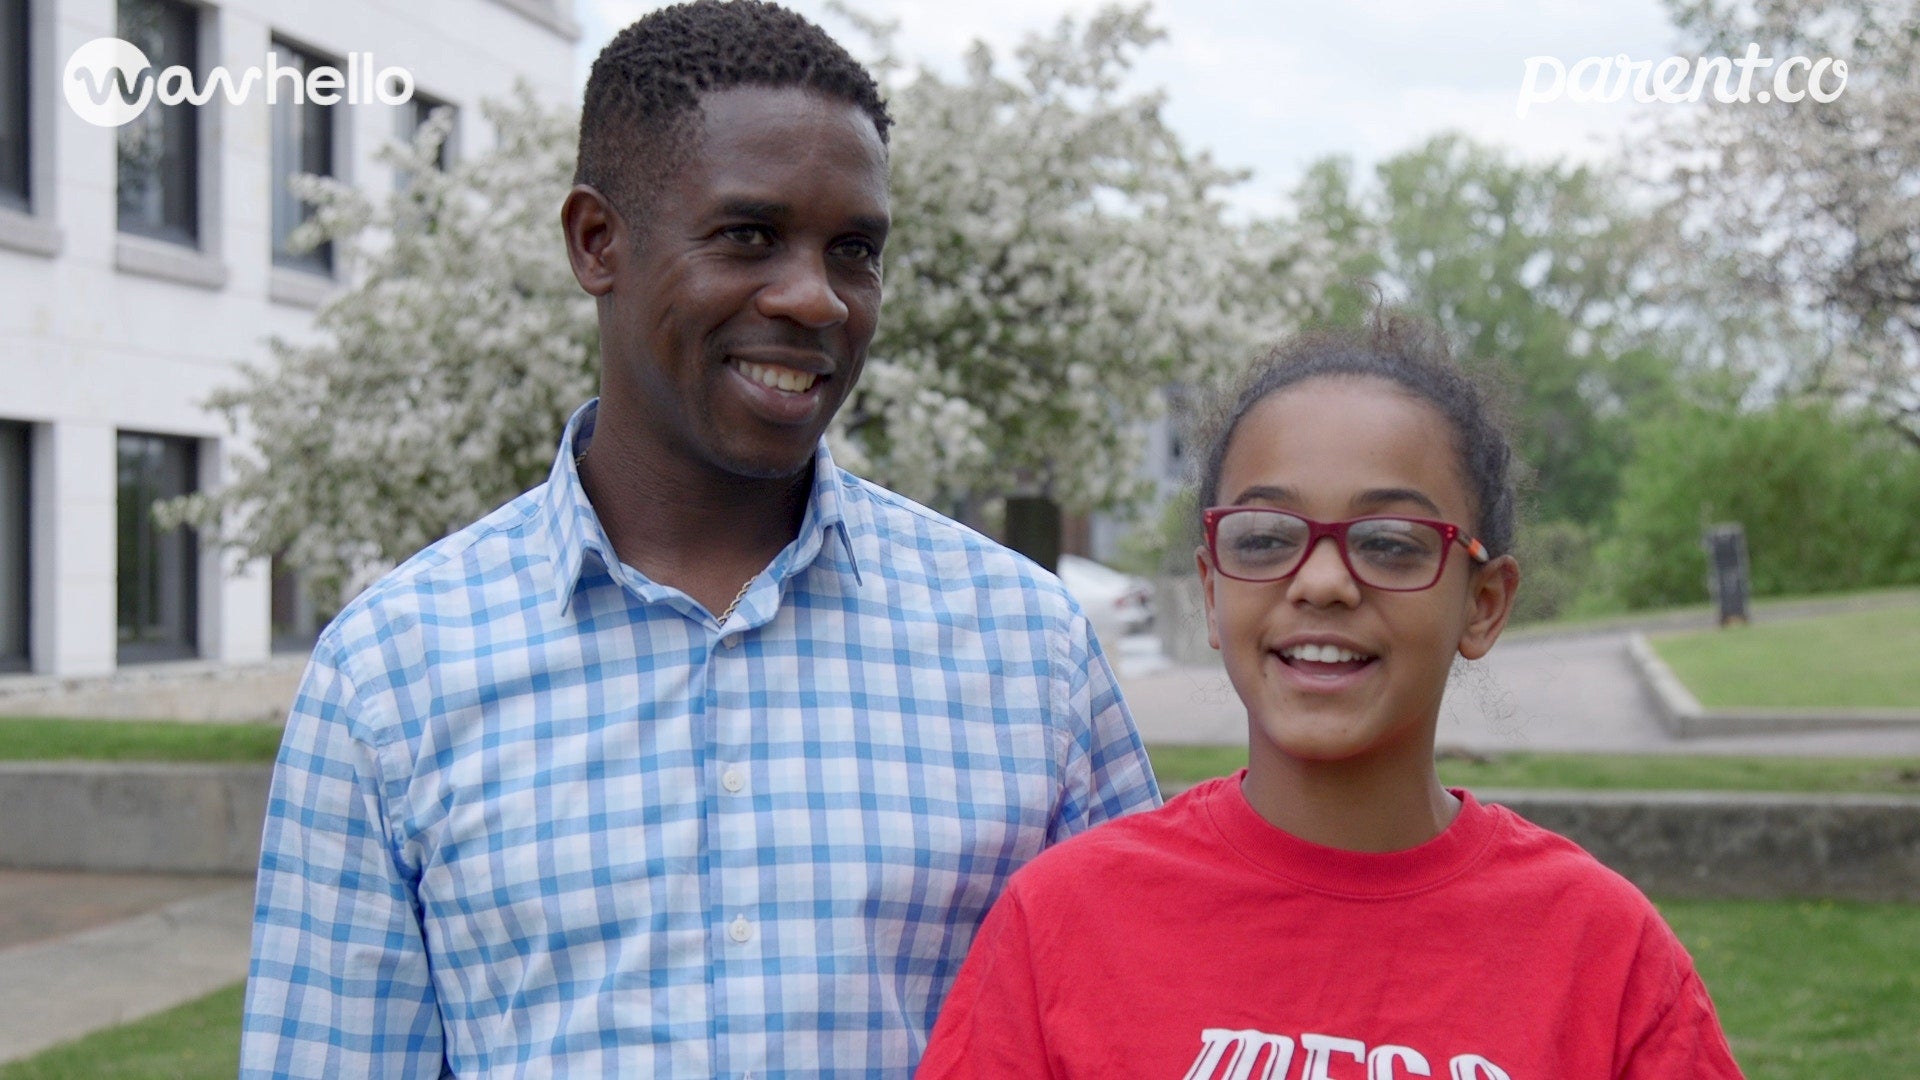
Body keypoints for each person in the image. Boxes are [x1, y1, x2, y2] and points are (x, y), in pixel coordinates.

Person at [239, 3, 1159, 1076]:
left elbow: (1135, 1024)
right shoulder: (389, 676)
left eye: (854, 250)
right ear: (598, 242)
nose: (815, 298)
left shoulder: (1026, 648)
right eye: (749, 236)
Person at [917, 317, 1745, 1079]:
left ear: (1485, 603)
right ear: (1211, 592)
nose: (1320, 582)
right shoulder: (1063, 922)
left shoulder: (1603, 953)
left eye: (1389, 544)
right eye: (1266, 537)